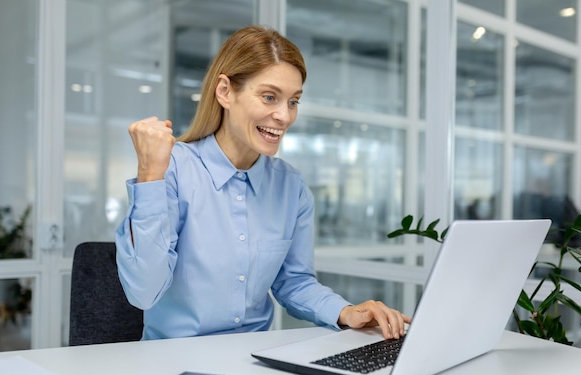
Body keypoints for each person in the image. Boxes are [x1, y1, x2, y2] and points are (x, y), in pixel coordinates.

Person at [115, 25, 410, 341]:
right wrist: (149, 175)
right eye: (269, 97)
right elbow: (144, 292)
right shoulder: (172, 170)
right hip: (176, 363)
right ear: (225, 92)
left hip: (254, 360)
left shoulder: (291, 188)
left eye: (293, 101)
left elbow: (293, 282)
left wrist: (345, 312)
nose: (284, 116)